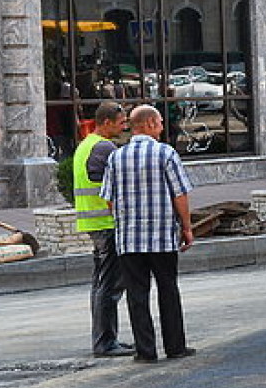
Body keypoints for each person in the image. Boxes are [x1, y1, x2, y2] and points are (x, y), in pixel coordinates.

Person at [100, 105, 196, 363]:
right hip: (162, 236)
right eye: (161, 122)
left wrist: (123, 218)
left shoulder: (116, 157)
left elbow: (108, 199)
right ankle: (175, 346)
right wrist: (186, 227)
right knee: (168, 289)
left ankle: (146, 351)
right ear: (151, 123)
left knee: (137, 294)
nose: (163, 127)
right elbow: (179, 194)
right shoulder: (165, 153)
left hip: (129, 239)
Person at [74, 101, 134, 357]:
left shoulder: (85, 145)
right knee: (109, 287)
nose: (124, 127)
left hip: (93, 223)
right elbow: (119, 182)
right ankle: (105, 343)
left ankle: (105, 339)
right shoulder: (104, 147)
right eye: (121, 123)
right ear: (107, 122)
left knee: (101, 285)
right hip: (106, 224)